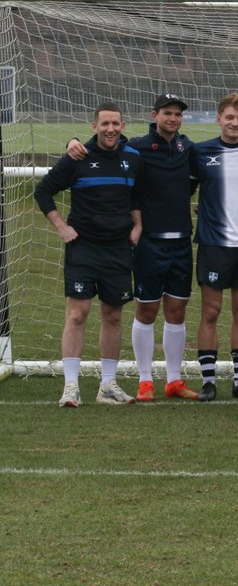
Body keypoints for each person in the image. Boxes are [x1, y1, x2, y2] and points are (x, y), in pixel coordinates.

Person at [67, 93, 202, 401]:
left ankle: (174, 380)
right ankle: (144, 380)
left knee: (177, 310)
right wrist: (73, 141)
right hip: (147, 242)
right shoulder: (136, 147)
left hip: (181, 240)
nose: (172, 118)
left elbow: (200, 176)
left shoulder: (187, 148)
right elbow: (106, 141)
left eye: (177, 114)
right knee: (146, 309)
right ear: (154, 115)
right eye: (167, 113)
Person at [36, 102, 142, 407]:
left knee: (112, 315)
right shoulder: (77, 156)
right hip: (83, 247)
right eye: (104, 124)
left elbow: (137, 194)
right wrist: (61, 226)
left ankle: (108, 385)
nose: (110, 129)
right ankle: (71, 386)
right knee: (77, 314)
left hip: (119, 249)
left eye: (116, 124)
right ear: (94, 126)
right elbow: (43, 191)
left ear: (123, 126)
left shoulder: (133, 158)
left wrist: (138, 224)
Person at [189, 92, 238, 402]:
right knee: (210, 311)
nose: (234, 123)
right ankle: (208, 381)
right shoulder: (200, 151)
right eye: (229, 117)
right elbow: (187, 186)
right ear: (218, 118)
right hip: (212, 245)